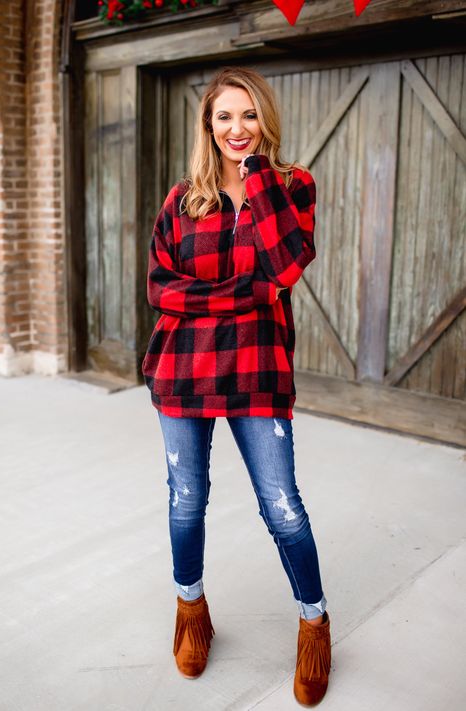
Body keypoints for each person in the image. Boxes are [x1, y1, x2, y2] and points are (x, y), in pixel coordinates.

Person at [142, 66, 331, 706]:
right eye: (224, 116)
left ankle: (314, 622)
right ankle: (191, 611)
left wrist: (257, 183)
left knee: (282, 506)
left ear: (264, 120)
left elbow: (286, 267)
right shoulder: (180, 199)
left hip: (258, 369)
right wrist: (246, 297)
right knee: (186, 501)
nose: (237, 128)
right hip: (181, 371)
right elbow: (159, 289)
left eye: (248, 114)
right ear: (208, 125)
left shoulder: (292, 186)